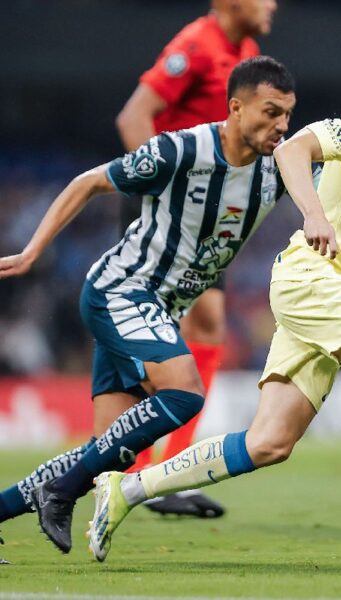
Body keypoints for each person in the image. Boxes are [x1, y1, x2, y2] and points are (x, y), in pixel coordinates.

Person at [88, 44, 341, 564]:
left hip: (332, 292)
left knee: (268, 443)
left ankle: (126, 490)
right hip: (313, 278)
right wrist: (314, 214)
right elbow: (291, 151)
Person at [0, 56, 296, 565]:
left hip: (159, 309)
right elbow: (88, 182)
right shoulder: (181, 149)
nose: (280, 125)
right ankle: (59, 493)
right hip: (121, 292)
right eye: (270, 112)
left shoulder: (277, 169)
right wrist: (31, 250)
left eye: (287, 114)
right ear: (235, 108)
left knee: (106, 452)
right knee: (184, 392)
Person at [116, 0, 278, 518]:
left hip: (208, 216)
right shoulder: (195, 46)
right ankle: (132, 468)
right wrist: (163, 187)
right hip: (169, 213)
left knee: (208, 325)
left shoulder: (247, 52)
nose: (273, 4)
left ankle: (169, 471)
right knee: (158, 335)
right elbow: (133, 116)